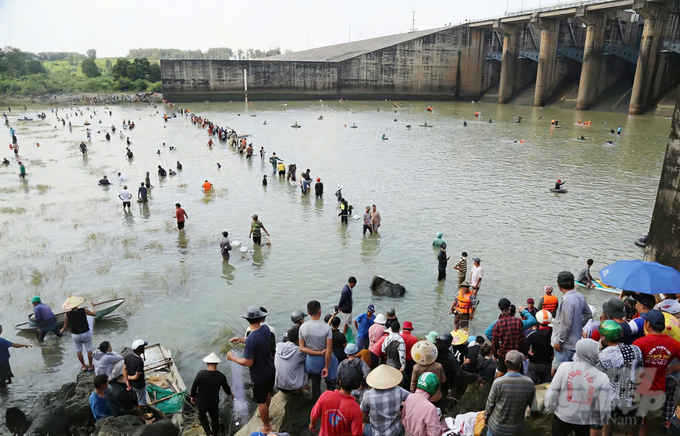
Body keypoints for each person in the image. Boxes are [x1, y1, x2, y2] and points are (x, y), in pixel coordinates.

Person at [544, 339, 612, 436]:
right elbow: (604, 407)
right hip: (586, 419)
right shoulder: (602, 377)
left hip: (563, 415)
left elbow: (552, 392)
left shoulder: (564, 367)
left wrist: (551, 406)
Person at [227, 307, 276, 434]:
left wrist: (232, 358)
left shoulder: (251, 340)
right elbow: (257, 341)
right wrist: (242, 339)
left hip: (259, 376)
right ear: (261, 319)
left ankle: (267, 427)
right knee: (268, 393)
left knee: (261, 402)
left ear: (247, 320)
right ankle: (267, 414)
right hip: (270, 369)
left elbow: (248, 362)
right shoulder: (265, 330)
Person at [633, 309, 680, 431]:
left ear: (647, 324)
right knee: (649, 421)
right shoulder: (673, 343)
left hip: (639, 388)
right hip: (659, 389)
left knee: (635, 420)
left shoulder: (639, 343)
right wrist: (673, 368)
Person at [596, 320, 643, 436]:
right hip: (632, 397)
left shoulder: (603, 355)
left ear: (604, 338)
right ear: (621, 335)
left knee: (607, 422)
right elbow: (640, 372)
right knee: (633, 424)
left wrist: (600, 349)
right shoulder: (635, 350)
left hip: (611, 400)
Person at [485, 350, 537, 436]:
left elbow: (489, 405)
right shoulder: (529, 383)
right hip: (515, 429)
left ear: (505, 362)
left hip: (496, 428)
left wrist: (486, 419)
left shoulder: (498, 382)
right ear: (520, 365)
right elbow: (534, 407)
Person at [551, 271, 591, 373]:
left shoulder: (566, 301)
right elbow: (588, 314)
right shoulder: (580, 296)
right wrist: (578, 325)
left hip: (565, 345)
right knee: (571, 372)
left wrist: (559, 341)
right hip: (575, 341)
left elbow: (566, 324)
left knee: (563, 373)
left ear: (559, 286)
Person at [299, 300, 337, 401]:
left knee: (315, 386)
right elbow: (328, 350)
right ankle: (330, 404)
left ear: (308, 312)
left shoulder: (303, 327)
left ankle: (317, 406)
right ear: (320, 312)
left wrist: (316, 353)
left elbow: (301, 348)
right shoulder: (326, 328)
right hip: (325, 360)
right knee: (331, 385)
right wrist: (326, 367)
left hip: (312, 362)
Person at [309, 369, 363, 436]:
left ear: (339, 382)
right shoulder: (356, 408)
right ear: (355, 385)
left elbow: (314, 415)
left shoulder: (325, 395)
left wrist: (312, 424)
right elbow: (357, 433)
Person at [362, 365, 411, 436]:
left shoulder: (368, 395)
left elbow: (363, 412)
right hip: (395, 430)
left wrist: (363, 423)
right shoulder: (398, 390)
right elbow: (411, 398)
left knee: (364, 428)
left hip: (376, 432)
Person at [191, 352, 233, 436]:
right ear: (216, 363)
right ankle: (215, 433)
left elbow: (194, 386)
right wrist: (230, 394)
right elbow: (226, 389)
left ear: (207, 363)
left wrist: (193, 397)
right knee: (214, 418)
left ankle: (208, 432)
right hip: (213, 401)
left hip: (201, 401)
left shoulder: (201, 374)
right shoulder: (221, 376)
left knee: (202, 416)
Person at [60, 296, 96, 371]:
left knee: (78, 350)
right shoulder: (84, 310)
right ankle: (90, 366)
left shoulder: (67, 315)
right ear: (77, 304)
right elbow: (93, 314)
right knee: (89, 349)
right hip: (86, 333)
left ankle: (83, 366)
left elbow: (65, 325)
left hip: (75, 335)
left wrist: (62, 330)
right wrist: (92, 306)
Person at [492, 298, 526, 376]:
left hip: (503, 354)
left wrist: (495, 354)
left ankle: (495, 387)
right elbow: (522, 340)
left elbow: (495, 342)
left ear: (499, 308)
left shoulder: (497, 324)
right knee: (519, 373)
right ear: (509, 308)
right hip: (516, 353)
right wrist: (524, 353)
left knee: (500, 373)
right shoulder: (518, 321)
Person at [275, 325, 308, 393]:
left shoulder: (278, 346)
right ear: (299, 339)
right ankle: (305, 391)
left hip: (278, 385)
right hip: (294, 387)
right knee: (308, 363)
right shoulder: (300, 352)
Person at [124, 339, 152, 418]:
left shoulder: (128, 357)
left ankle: (140, 413)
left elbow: (124, 369)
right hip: (139, 385)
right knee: (142, 401)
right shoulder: (139, 361)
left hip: (132, 384)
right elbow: (136, 376)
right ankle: (142, 416)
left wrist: (127, 381)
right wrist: (130, 377)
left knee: (138, 397)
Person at [525, 310, 554, 384]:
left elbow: (523, 347)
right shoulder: (554, 333)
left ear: (537, 321)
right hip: (548, 364)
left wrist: (529, 354)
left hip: (535, 363)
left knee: (532, 384)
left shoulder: (533, 335)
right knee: (546, 385)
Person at [0, 324, 32, 389]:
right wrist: (24, 345)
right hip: (2, 362)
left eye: (1, 329)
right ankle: (4, 390)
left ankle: (7, 383)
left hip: (4, 360)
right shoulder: (1, 341)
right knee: (3, 376)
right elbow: (14, 344)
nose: (1, 331)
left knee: (6, 374)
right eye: (0, 330)